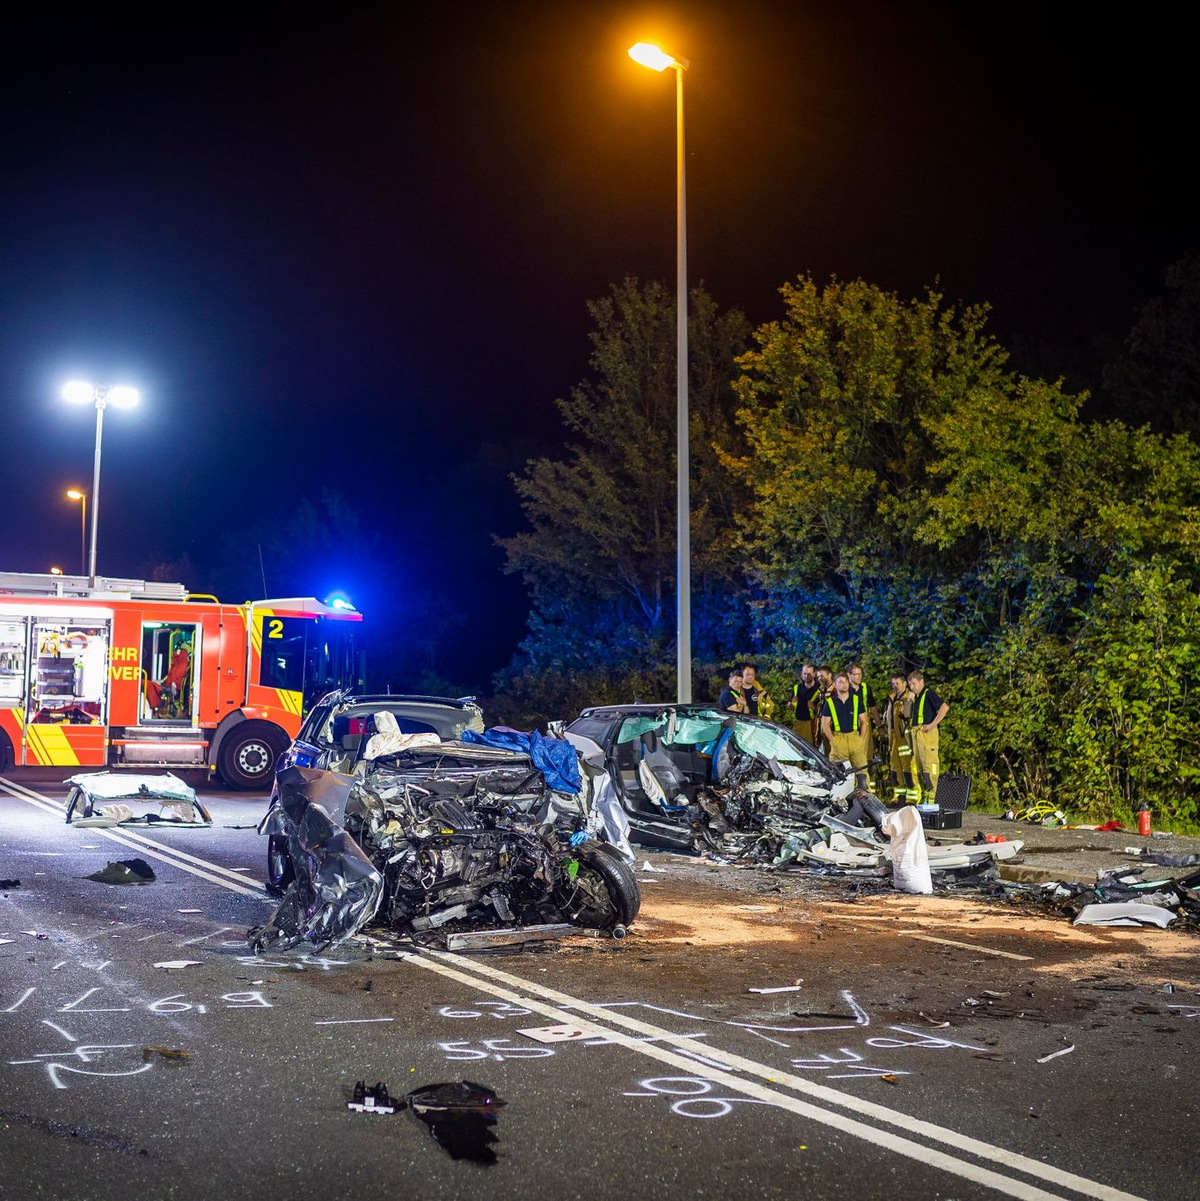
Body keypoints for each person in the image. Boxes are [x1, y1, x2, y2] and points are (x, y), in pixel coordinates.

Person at [820, 671, 869, 788]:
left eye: (846, 681)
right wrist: (833, 740)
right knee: (838, 774)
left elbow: (864, 721)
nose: (844, 684)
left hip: (854, 738)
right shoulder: (830, 702)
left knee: (861, 772)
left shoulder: (856, 700)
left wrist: (861, 739)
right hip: (839, 739)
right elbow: (825, 724)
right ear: (835, 685)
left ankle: (864, 799)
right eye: (840, 682)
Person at [907, 669, 949, 803]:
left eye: (914, 684)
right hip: (917, 735)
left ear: (921, 682)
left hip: (926, 734)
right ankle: (926, 796)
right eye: (910, 685)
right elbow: (906, 715)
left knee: (929, 766)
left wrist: (932, 724)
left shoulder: (928, 693)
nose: (912, 687)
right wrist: (909, 701)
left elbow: (944, 707)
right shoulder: (916, 697)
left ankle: (933, 797)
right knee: (919, 767)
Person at [884, 671, 915, 801]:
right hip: (894, 738)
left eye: (897, 683)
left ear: (904, 683)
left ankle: (912, 796)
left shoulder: (910, 698)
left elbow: (909, 716)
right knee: (895, 767)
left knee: (907, 766)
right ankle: (899, 795)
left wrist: (908, 702)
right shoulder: (892, 698)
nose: (895, 686)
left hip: (905, 738)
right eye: (893, 683)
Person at [848, 663, 880, 784]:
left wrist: (879, 725)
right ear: (849, 675)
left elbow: (873, 708)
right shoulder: (845, 688)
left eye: (860, 674)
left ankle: (867, 785)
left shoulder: (866, 688)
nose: (859, 677)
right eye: (856, 674)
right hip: (850, 726)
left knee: (866, 754)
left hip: (864, 725)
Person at [788, 663, 819, 739]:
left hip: (813, 725)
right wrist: (790, 705)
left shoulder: (819, 689)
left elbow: (825, 712)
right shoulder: (796, 688)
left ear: (814, 674)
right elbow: (791, 708)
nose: (806, 676)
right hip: (798, 724)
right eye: (804, 673)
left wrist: (814, 707)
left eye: (809, 674)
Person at [813, 664, 835, 751]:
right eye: (818, 677)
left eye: (822, 676)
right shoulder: (821, 691)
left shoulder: (836, 690)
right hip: (822, 727)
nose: (819, 679)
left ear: (829, 675)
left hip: (833, 728)